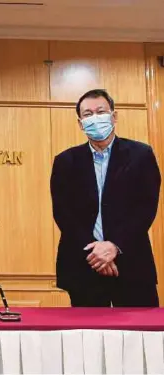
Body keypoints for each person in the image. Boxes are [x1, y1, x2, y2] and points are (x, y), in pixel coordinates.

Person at [51, 89, 161, 307]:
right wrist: (96, 251)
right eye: (88, 114)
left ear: (114, 116)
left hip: (131, 261)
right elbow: (63, 213)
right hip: (84, 264)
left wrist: (115, 246)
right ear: (81, 123)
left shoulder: (141, 155)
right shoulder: (66, 161)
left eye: (100, 111)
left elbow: (146, 207)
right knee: (88, 337)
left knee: (138, 337)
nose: (95, 118)